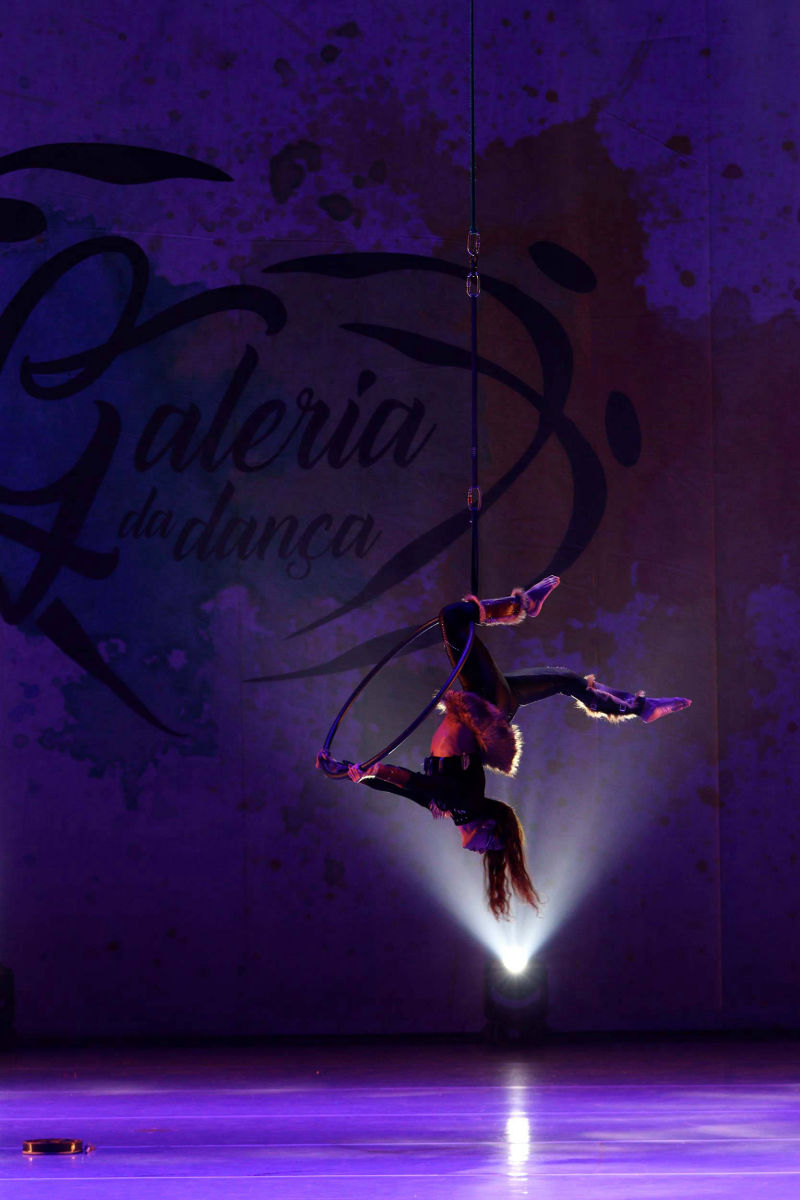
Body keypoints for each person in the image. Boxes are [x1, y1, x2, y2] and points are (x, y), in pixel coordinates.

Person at [318, 577, 690, 919]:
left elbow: (404, 789)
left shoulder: (451, 809)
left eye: (487, 849)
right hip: (485, 703)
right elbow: (417, 784)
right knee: (453, 617)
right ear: (488, 823)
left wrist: (351, 771)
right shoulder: (466, 802)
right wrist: (373, 770)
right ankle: (522, 606)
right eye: (492, 843)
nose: (483, 850)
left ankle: (639, 708)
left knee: (564, 680)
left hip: (495, 706)